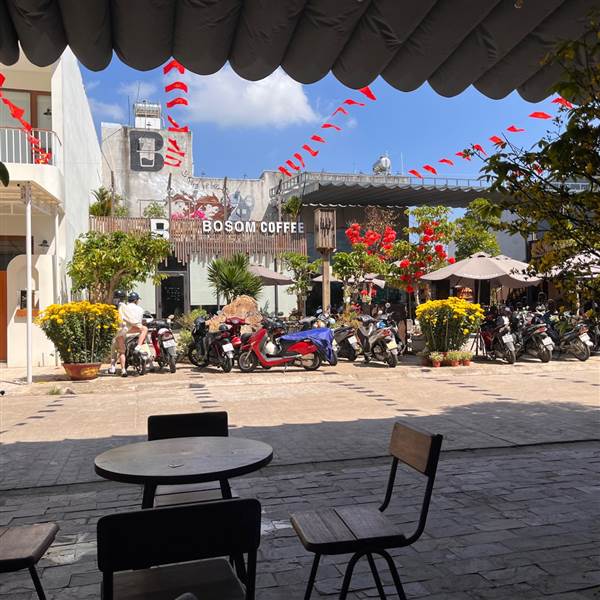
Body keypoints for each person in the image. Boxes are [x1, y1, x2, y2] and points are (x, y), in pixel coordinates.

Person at [117, 292, 148, 377]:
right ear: (136, 300)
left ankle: (123, 370)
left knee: (122, 351)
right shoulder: (140, 309)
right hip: (132, 329)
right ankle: (138, 346)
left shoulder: (123, 307)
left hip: (121, 331)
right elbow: (138, 322)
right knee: (144, 329)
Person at [108, 290, 127, 375]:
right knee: (121, 350)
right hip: (124, 329)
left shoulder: (117, 306)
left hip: (118, 329)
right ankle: (122, 369)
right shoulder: (124, 306)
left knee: (114, 348)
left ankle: (113, 367)